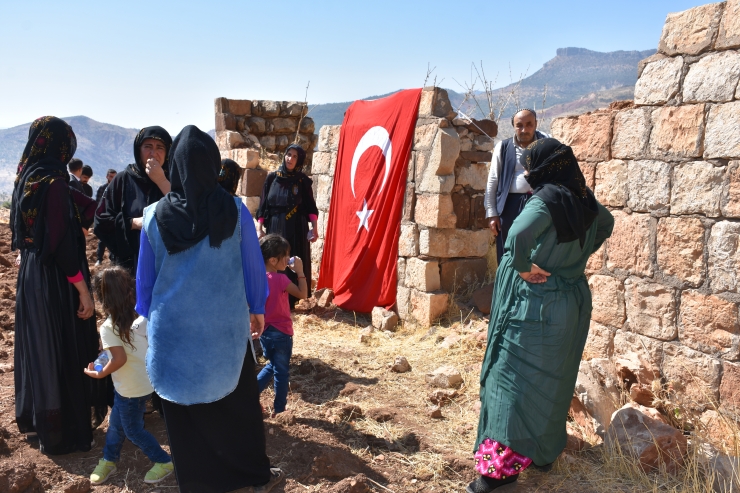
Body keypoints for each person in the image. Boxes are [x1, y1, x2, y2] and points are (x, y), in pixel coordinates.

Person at [136, 125, 283, 493]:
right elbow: (252, 264)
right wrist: (257, 306)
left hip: (173, 332)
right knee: (237, 408)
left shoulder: (153, 216)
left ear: (177, 167)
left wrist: (148, 318)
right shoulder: (233, 210)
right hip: (224, 331)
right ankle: (248, 475)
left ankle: (199, 482)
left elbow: (145, 283)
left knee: (185, 414)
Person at [468, 138, 614, 493]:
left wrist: (523, 266)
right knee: (553, 380)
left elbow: (516, 235)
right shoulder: (584, 200)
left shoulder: (546, 201)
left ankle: (497, 475)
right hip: (570, 304)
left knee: (509, 380)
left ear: (546, 169)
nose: (528, 172)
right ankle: (542, 455)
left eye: (532, 166)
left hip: (534, 304)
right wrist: (573, 261)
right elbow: (607, 224)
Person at [11, 116, 108, 455]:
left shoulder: (28, 177)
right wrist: (83, 291)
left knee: (41, 345)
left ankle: (42, 419)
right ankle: (64, 428)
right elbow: (63, 245)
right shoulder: (52, 182)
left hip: (32, 274)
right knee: (62, 344)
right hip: (56, 277)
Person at [84, 267, 173, 485]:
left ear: (102, 298)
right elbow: (119, 351)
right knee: (116, 425)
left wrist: (99, 373)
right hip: (143, 381)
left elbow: (119, 358)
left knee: (133, 430)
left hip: (129, 389)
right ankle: (109, 459)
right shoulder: (140, 315)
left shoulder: (107, 327)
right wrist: (103, 360)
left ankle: (163, 461)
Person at [94, 127, 172, 275]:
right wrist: (133, 223)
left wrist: (161, 181)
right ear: (138, 150)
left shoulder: (174, 179)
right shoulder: (122, 180)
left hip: (166, 269)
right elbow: (101, 221)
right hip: (129, 269)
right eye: (147, 147)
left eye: (160, 147)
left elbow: (186, 213)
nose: (153, 153)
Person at [257, 144, 318, 308]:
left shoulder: (302, 181)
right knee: (274, 258)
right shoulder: (272, 178)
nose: (290, 159)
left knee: (292, 259)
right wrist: (259, 227)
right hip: (275, 224)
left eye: (294, 156)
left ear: (299, 161)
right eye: (288, 155)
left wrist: (315, 228)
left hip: (296, 227)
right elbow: (263, 205)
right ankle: (273, 296)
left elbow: (311, 208)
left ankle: (293, 300)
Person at [484, 109, 549, 264]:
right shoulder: (503, 147)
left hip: (540, 204)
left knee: (538, 251)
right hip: (509, 206)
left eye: (529, 125)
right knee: (508, 251)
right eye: (519, 125)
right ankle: (507, 287)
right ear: (513, 126)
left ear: (536, 124)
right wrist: (492, 213)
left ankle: (532, 287)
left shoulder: (547, 143)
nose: (524, 130)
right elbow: (492, 181)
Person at [258, 234, 307, 416]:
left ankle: (251, 394)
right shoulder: (281, 280)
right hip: (281, 333)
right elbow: (303, 294)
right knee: (281, 372)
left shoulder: (257, 278)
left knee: (274, 364)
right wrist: (300, 272)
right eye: (285, 256)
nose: (288, 259)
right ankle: (279, 410)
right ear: (273, 259)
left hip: (264, 331)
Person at [95, 169, 117, 266]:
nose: (112, 178)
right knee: (102, 240)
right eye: (111, 176)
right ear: (107, 177)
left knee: (114, 239)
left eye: (114, 176)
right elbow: (98, 203)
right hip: (103, 217)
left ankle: (112, 260)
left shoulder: (117, 188)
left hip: (114, 217)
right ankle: (99, 259)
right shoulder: (102, 188)